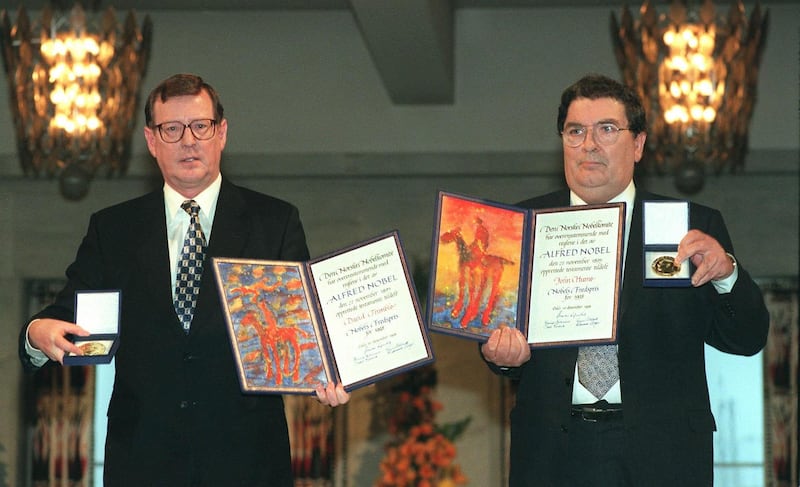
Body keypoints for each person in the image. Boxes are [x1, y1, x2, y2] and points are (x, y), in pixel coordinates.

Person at [19, 73, 350, 486]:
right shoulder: (114, 229)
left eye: (200, 126)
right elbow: (65, 314)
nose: (188, 141)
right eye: (171, 130)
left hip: (248, 464)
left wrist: (335, 369)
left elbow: (309, 326)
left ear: (222, 133)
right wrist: (37, 332)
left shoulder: (275, 222)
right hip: (142, 463)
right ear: (152, 141)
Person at [480, 74, 769, 486]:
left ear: (638, 145)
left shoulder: (690, 227)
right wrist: (501, 357)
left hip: (664, 453)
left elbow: (746, 338)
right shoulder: (521, 226)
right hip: (551, 451)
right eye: (575, 131)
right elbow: (495, 334)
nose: (589, 144)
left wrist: (727, 276)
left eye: (607, 129)